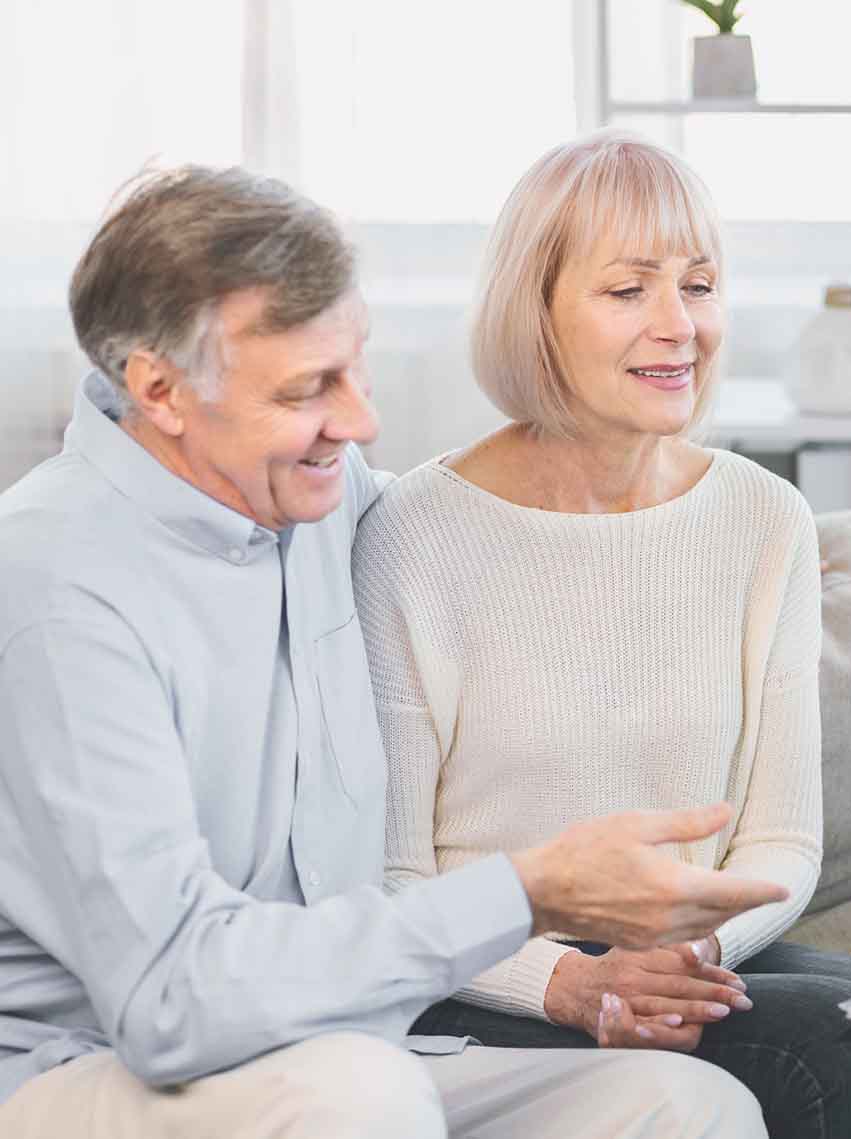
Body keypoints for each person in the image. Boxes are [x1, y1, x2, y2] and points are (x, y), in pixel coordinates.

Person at [0, 165, 783, 1138]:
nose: (362, 422)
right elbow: (173, 1004)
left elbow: (490, 578)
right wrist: (528, 892)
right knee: (353, 1095)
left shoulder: (318, 498)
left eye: (357, 369)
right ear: (159, 389)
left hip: (348, 1045)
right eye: (307, 388)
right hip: (98, 1066)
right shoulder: (55, 584)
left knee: (687, 1104)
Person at [353, 129, 851, 1138]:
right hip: (488, 977)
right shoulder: (413, 537)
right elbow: (386, 878)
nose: (678, 324)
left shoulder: (763, 518)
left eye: (699, 284)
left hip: (702, 955)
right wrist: (562, 978)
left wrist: (699, 954)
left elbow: (782, 836)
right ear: (535, 311)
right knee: (826, 1060)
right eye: (628, 289)